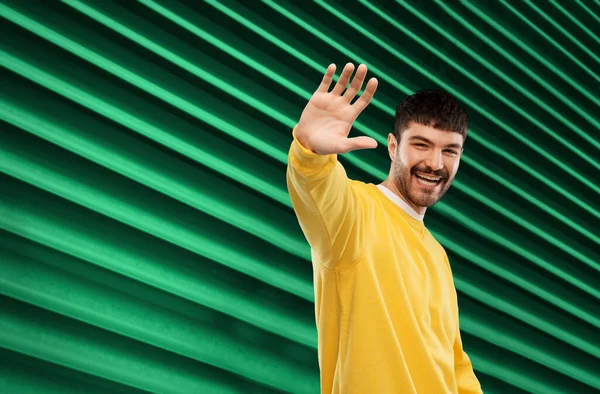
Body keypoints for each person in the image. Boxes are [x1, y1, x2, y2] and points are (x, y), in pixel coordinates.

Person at [286, 62, 483, 394]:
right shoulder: (355, 214)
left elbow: (454, 363)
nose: (435, 163)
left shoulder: (438, 255)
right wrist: (310, 152)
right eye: (421, 144)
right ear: (393, 147)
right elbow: (317, 186)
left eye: (449, 151)